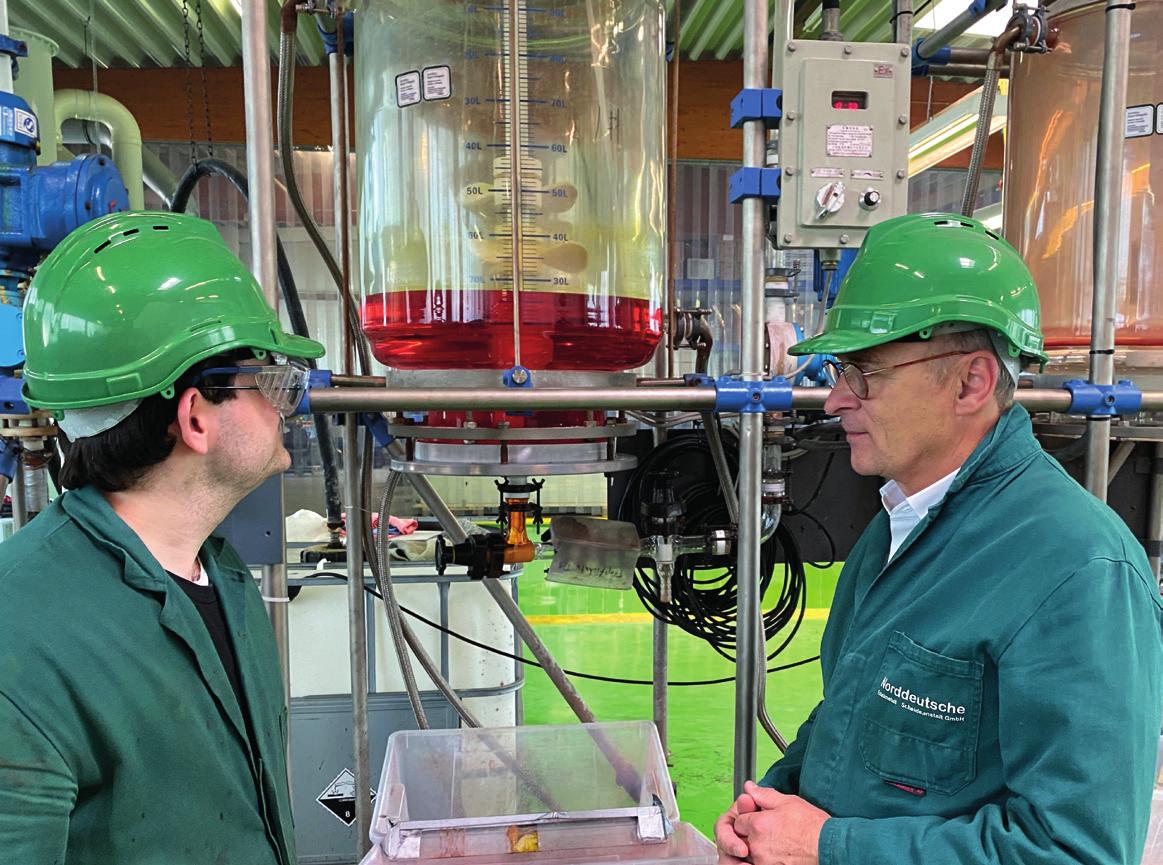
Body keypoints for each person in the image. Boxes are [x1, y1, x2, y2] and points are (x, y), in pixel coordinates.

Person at [715, 213, 1163, 865]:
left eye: (864, 372)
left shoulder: (1079, 571)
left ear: (970, 383)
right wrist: (771, 805)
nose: (834, 400)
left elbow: (1074, 851)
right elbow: (858, 715)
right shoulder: (897, 525)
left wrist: (827, 846)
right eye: (838, 370)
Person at [0, 211, 325, 864]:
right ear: (195, 416)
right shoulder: (19, 636)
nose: (282, 405)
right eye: (263, 377)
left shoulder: (223, 575)